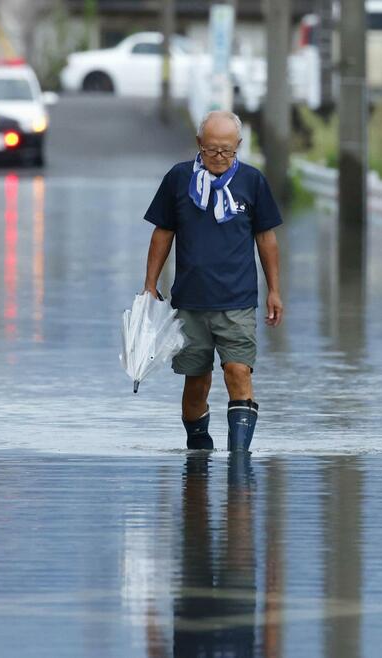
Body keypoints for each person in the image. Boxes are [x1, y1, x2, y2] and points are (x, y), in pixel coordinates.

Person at [143, 110, 283, 453]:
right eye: (211, 151)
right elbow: (163, 233)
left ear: (238, 146)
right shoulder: (178, 179)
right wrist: (149, 284)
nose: (219, 158)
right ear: (198, 145)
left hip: (237, 301)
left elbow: (266, 238)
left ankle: (239, 457)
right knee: (196, 383)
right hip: (190, 302)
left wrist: (274, 290)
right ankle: (199, 448)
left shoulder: (252, 182)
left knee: (238, 372)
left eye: (227, 151)